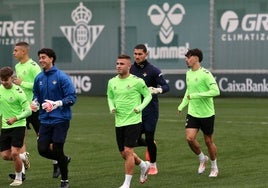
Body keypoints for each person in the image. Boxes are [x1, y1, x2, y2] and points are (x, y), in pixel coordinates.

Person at [32, 48, 76, 188]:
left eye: (44, 57)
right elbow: (36, 95)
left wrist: (56, 104)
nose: (41, 60)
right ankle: (64, 159)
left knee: (57, 150)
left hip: (60, 120)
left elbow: (72, 98)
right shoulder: (39, 78)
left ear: (51, 59)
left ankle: (64, 180)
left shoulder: (62, 77)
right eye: (40, 57)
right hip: (44, 120)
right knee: (42, 150)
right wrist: (34, 102)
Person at [107, 54, 152, 188]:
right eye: (117, 64)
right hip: (119, 122)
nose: (118, 66)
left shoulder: (137, 81)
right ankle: (144, 165)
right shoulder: (112, 82)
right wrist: (112, 107)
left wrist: (140, 107)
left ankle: (126, 184)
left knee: (128, 151)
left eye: (121, 64)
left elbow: (148, 96)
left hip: (134, 121)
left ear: (129, 66)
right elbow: (109, 97)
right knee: (123, 153)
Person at [177, 48, 220, 177]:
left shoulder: (206, 74)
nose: (186, 59)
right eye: (186, 57)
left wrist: (197, 95)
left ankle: (214, 167)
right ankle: (202, 158)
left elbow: (216, 91)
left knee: (208, 141)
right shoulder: (188, 73)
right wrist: (182, 105)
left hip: (207, 113)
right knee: (190, 139)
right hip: (193, 113)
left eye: (189, 57)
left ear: (196, 58)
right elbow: (188, 92)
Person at [130, 44, 169, 175]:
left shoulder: (153, 70)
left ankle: (153, 165)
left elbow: (166, 86)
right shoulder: (129, 70)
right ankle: (150, 143)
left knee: (149, 134)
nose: (137, 56)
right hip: (135, 109)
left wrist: (158, 90)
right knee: (132, 140)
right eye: (135, 54)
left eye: (140, 54)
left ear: (146, 54)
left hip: (150, 110)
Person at [10, 41, 41, 181]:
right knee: (20, 139)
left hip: (34, 106)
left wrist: (22, 83)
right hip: (22, 108)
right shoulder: (17, 65)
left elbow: (39, 84)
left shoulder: (34, 66)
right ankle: (21, 172)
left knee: (42, 139)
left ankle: (57, 161)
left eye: (16, 50)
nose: (14, 52)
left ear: (24, 52)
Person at [0, 66, 32, 186]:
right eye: (1, 80)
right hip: (5, 127)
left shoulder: (18, 91)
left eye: (6, 80)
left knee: (14, 153)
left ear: (11, 78)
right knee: (5, 156)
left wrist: (16, 118)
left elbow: (28, 111)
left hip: (18, 125)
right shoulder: (0, 90)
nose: (3, 82)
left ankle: (18, 178)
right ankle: (23, 157)